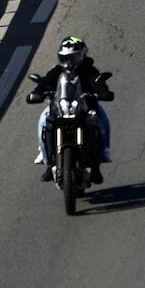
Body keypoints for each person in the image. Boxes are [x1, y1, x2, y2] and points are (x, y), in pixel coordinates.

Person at [29, 36, 113, 185]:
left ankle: (97, 164)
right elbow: (45, 82)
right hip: (59, 107)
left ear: (82, 55)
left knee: (102, 121)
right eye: (66, 57)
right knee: (43, 121)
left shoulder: (88, 69)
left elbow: (97, 81)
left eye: (74, 57)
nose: (70, 61)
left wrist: (102, 91)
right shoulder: (57, 70)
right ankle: (49, 163)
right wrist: (37, 92)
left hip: (85, 106)